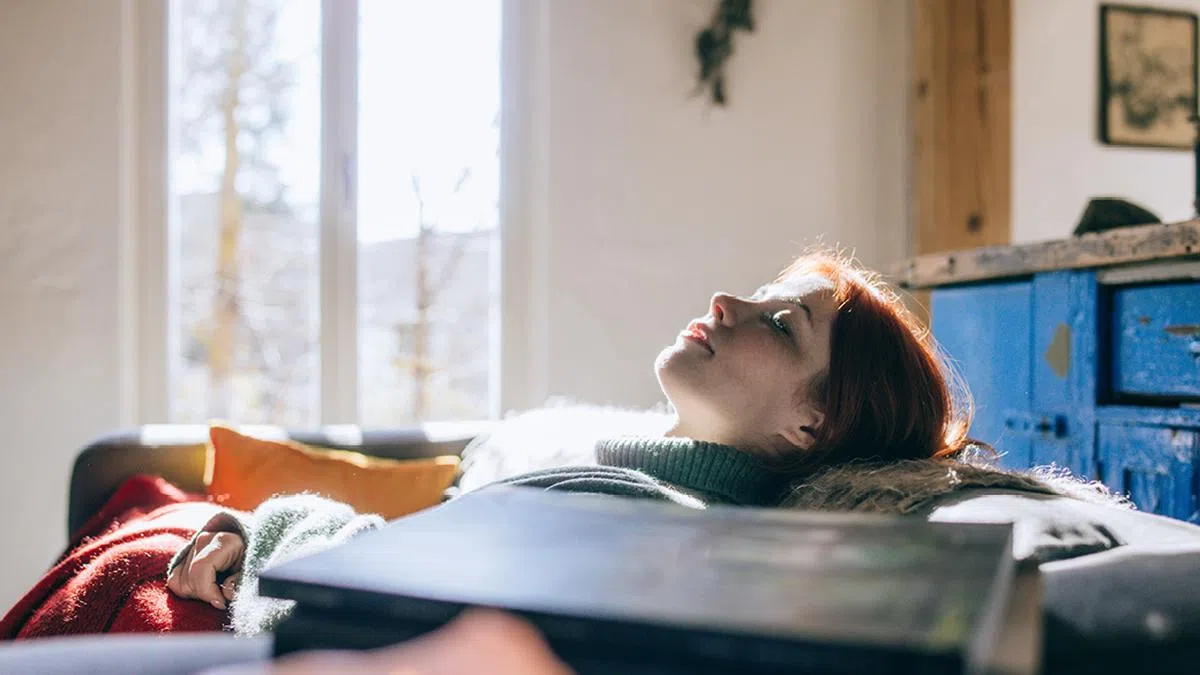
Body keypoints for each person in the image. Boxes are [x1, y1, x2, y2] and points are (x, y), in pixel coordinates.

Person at [167, 249, 1117, 636]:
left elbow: (349, 612)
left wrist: (266, 526)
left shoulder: (645, 519)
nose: (727, 300)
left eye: (781, 323)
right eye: (761, 295)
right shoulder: (614, 476)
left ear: (811, 426)